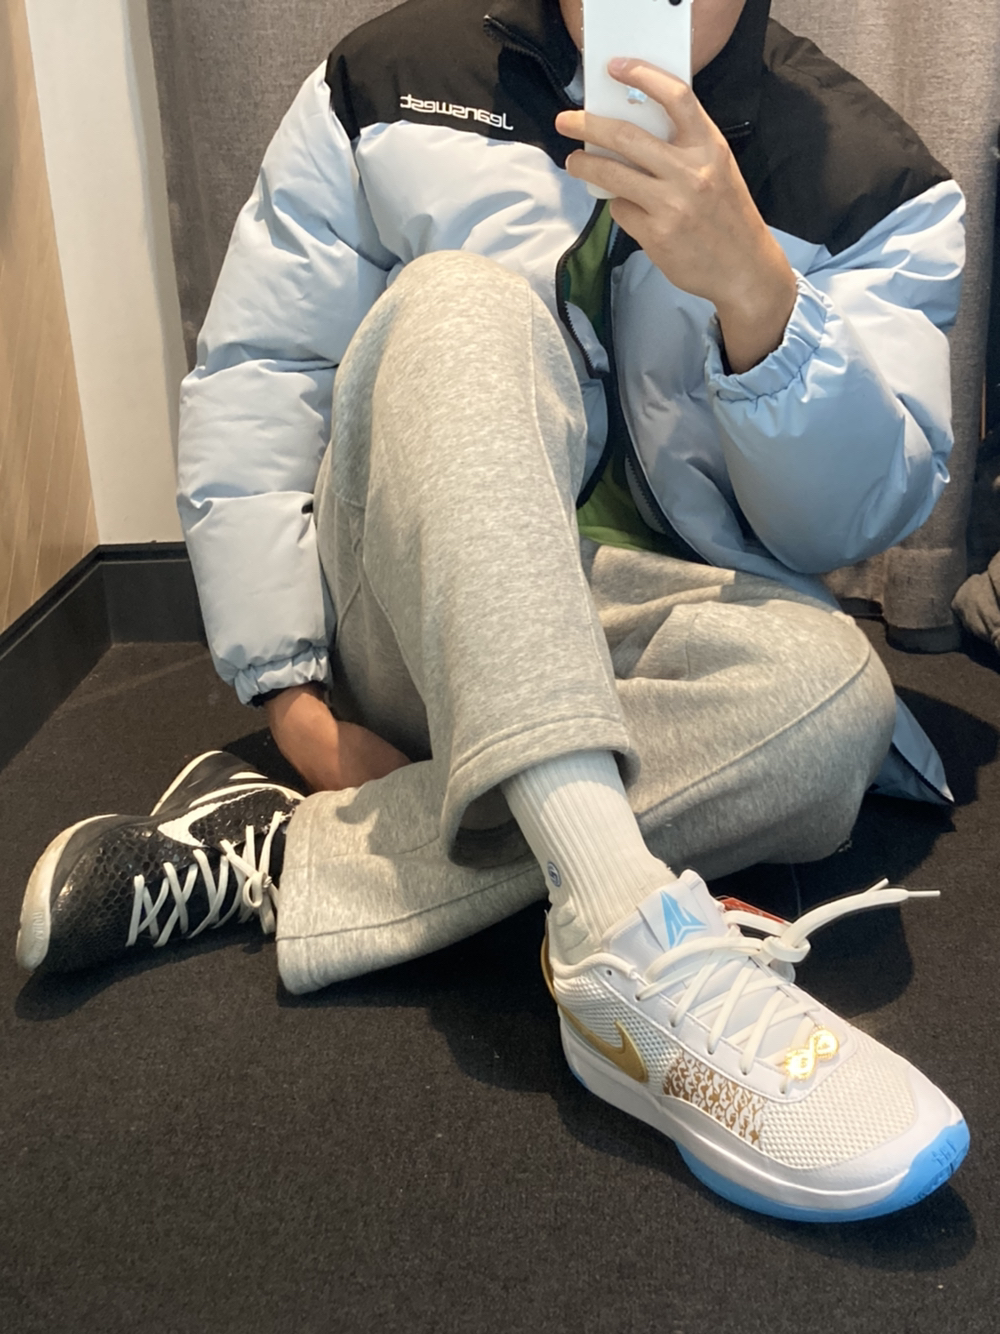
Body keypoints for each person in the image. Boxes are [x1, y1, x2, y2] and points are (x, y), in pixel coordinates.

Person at [16, 0, 969, 1221]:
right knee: (462, 304)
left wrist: (759, 294)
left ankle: (284, 852)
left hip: (653, 627)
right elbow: (264, 376)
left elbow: (848, 525)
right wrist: (297, 705)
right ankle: (624, 923)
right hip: (413, 612)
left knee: (832, 697)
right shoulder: (389, 79)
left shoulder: (871, 174)